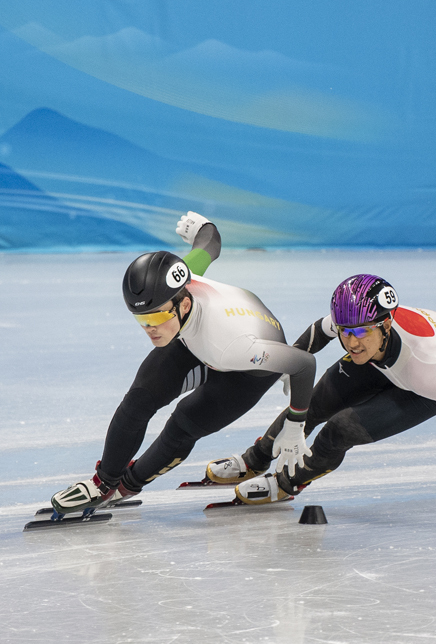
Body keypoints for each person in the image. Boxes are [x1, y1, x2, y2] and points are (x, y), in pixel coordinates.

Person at [205, 274, 436, 530]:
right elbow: (320, 331)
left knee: (339, 430)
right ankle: (255, 458)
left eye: (360, 332)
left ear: (385, 325)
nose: (351, 342)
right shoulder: (357, 318)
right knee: (314, 402)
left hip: (425, 379)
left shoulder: (428, 372)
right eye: (345, 332)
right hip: (384, 358)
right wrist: (292, 361)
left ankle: (286, 483)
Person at [50, 212, 317, 514]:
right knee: (139, 400)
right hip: (195, 336)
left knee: (182, 425)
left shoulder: (229, 345)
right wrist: (203, 227)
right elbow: (210, 244)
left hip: (247, 365)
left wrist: (295, 425)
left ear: (184, 303)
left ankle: (127, 485)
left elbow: (304, 363)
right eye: (141, 319)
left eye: (156, 317)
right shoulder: (180, 281)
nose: (149, 329)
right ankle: (103, 484)